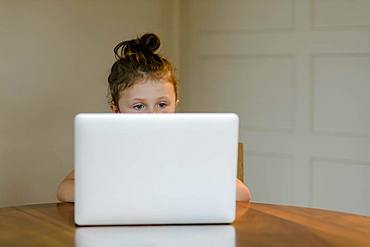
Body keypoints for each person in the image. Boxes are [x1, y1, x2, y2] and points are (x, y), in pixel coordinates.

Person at [56, 33, 251, 203]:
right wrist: (120, 191)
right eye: (139, 106)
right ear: (116, 112)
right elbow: (64, 189)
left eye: (162, 104)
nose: (153, 115)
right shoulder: (110, 149)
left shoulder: (189, 147)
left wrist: (189, 185)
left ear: (176, 103)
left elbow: (242, 193)